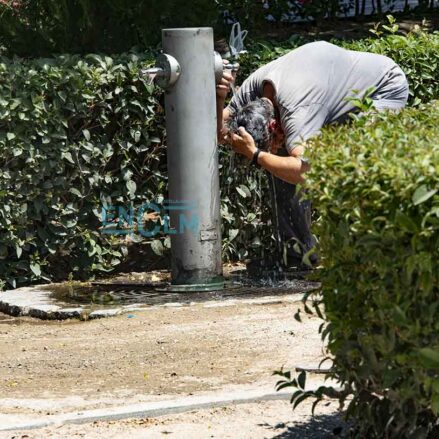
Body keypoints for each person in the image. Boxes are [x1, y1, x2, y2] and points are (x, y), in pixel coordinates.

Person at [216, 40, 409, 270]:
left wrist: (258, 155)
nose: (275, 147)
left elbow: (308, 171)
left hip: (382, 89)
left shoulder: (297, 111)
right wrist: (219, 96)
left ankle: (369, 253)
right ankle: (298, 256)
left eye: (273, 143)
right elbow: (219, 131)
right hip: (325, 89)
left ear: (275, 125)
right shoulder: (254, 92)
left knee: (353, 166)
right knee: (279, 164)